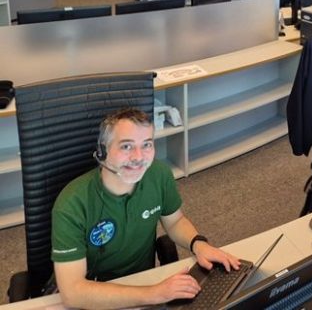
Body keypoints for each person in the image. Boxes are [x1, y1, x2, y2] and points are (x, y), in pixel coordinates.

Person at [51, 108, 240, 309]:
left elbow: (174, 221)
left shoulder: (158, 174)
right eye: (126, 146)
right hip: (96, 293)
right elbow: (73, 293)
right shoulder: (71, 204)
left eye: (147, 144)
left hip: (144, 281)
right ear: (102, 150)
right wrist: (155, 293)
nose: (139, 157)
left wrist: (198, 244)